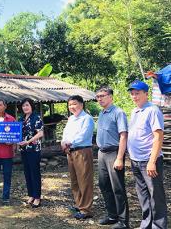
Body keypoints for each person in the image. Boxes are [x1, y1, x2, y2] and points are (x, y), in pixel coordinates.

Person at [127, 80, 168, 229]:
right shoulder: (135, 111)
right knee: (143, 195)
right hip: (136, 160)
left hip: (149, 160)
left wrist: (152, 161)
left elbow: (158, 137)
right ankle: (147, 224)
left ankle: (159, 226)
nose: (134, 96)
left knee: (156, 195)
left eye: (137, 93)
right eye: (132, 94)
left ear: (146, 93)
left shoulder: (152, 110)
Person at [95, 87, 129, 229]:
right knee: (104, 185)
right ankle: (111, 215)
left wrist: (120, 157)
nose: (100, 99)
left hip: (114, 153)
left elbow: (123, 135)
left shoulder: (118, 112)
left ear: (111, 97)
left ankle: (123, 221)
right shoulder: (102, 113)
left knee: (118, 188)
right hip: (102, 153)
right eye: (97, 96)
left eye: (102, 96)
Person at [61, 95, 94, 220]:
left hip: (82, 151)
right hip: (70, 151)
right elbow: (65, 133)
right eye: (70, 105)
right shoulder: (71, 119)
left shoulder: (87, 119)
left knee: (84, 180)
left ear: (81, 104)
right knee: (74, 180)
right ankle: (79, 204)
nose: (72, 107)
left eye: (74, 104)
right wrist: (63, 142)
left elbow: (83, 135)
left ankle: (86, 209)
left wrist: (69, 142)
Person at [18, 98, 44, 208]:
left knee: (34, 172)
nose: (25, 107)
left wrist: (28, 141)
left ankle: (37, 197)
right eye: (23, 106)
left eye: (27, 105)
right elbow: (17, 133)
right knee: (27, 172)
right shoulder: (21, 118)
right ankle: (31, 195)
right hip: (23, 149)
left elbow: (40, 133)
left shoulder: (36, 117)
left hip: (33, 149)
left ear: (31, 106)